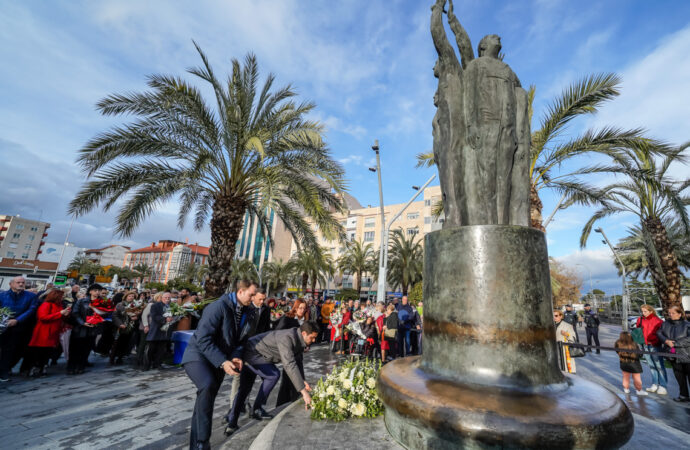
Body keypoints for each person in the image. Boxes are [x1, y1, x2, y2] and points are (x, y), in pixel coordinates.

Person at [181, 280, 256, 450]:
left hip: (222, 360)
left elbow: (241, 340)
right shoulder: (218, 306)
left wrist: (236, 356)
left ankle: (197, 445)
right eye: (251, 294)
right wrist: (222, 362)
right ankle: (203, 442)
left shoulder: (250, 312)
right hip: (198, 356)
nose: (253, 298)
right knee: (207, 386)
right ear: (241, 291)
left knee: (206, 399)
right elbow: (203, 338)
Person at [224, 321, 319, 436]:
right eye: (312, 338)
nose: (314, 341)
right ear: (304, 333)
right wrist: (304, 392)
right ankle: (256, 409)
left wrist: (303, 383)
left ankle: (232, 424)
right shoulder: (288, 338)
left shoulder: (298, 338)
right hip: (252, 352)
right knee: (273, 375)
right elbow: (289, 365)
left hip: (256, 355)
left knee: (244, 390)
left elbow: (296, 363)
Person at [228, 288, 268, 414]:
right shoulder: (246, 308)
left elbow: (266, 328)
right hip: (242, 347)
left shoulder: (266, 309)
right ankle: (233, 407)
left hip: (256, 348)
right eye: (260, 299)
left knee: (250, 377)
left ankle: (245, 402)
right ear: (253, 297)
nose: (262, 301)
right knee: (238, 377)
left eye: (264, 299)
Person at [0, 276, 38, 381]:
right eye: (18, 282)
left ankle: (4, 371)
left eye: (22, 282)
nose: (21, 284)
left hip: (19, 327)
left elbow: (31, 309)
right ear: (11, 284)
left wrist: (17, 320)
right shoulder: (2, 295)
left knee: (11, 351)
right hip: (3, 326)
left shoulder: (30, 296)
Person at [24, 289, 70, 376]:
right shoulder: (46, 304)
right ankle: (33, 369)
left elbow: (60, 317)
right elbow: (43, 317)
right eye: (61, 296)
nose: (63, 298)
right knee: (39, 351)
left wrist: (65, 314)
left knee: (47, 352)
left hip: (53, 331)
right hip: (44, 331)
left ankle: (42, 368)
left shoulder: (59, 305)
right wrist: (60, 313)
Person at [274, 298, 309, 406]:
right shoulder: (288, 318)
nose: (302, 310)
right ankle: (282, 403)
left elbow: (306, 335)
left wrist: (307, 345)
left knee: (299, 375)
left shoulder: (305, 320)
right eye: (300, 308)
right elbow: (278, 332)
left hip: (299, 353)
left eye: (304, 308)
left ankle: (296, 398)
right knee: (288, 378)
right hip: (288, 352)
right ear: (295, 307)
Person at [68, 284, 103, 375]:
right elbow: (75, 313)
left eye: (99, 290)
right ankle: (71, 366)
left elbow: (104, 315)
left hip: (92, 329)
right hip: (80, 329)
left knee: (86, 349)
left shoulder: (102, 302)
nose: (97, 292)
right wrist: (82, 322)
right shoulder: (82, 301)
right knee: (75, 349)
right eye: (95, 290)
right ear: (90, 291)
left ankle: (81, 366)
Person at [657, 305, 690, 402]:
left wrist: (675, 344)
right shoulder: (665, 324)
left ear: (680, 314)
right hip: (672, 355)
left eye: (673, 313)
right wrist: (666, 341)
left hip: (686, 354)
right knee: (679, 376)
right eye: (669, 313)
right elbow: (659, 333)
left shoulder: (687, 324)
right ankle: (684, 395)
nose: (670, 315)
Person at [636, 304, 668, 395]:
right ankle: (655, 384)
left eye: (645, 311)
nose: (643, 313)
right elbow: (638, 330)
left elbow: (661, 334)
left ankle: (663, 386)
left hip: (655, 345)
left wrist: (655, 341)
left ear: (651, 311)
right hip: (644, 345)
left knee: (659, 366)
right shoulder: (640, 319)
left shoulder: (658, 321)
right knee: (651, 366)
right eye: (642, 311)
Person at [614, 331, 647, 396]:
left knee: (625, 377)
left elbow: (617, 351)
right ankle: (639, 390)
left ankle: (626, 389)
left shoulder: (618, 343)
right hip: (634, 363)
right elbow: (639, 355)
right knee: (637, 378)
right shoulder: (633, 344)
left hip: (623, 362)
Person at [146, 292, 173, 370]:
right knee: (151, 349)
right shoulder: (155, 305)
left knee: (161, 349)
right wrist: (165, 319)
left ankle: (157, 364)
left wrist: (172, 318)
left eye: (169, 298)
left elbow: (174, 315)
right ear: (162, 298)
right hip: (156, 330)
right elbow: (154, 316)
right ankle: (147, 364)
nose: (167, 299)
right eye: (166, 298)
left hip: (166, 331)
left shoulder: (172, 306)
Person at [110, 290, 137, 365]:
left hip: (130, 327)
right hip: (120, 327)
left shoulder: (135, 305)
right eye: (129, 296)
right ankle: (112, 358)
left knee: (125, 343)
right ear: (126, 297)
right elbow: (115, 316)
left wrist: (135, 317)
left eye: (133, 296)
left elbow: (137, 314)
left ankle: (120, 358)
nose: (131, 298)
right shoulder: (120, 304)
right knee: (116, 343)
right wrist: (120, 324)